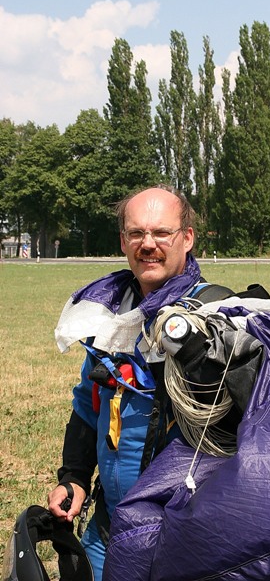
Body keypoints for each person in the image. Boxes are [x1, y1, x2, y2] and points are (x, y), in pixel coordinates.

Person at [47, 184, 232, 581]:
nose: (148, 244)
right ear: (123, 241)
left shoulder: (218, 319)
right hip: (109, 527)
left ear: (187, 238)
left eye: (161, 232)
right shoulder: (111, 317)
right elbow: (87, 407)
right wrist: (75, 477)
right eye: (136, 233)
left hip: (181, 537)